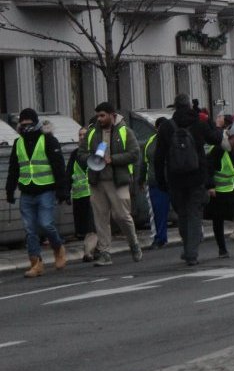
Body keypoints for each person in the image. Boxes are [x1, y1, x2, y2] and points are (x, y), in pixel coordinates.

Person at [154, 94, 223, 266]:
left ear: (174, 107)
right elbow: (216, 138)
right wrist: (209, 122)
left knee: (182, 215)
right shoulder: (198, 124)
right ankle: (191, 253)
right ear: (190, 106)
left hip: (175, 178)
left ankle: (188, 248)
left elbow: (159, 156)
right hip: (196, 176)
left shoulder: (166, 127)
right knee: (194, 214)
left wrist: (161, 180)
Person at [5, 109, 69, 277]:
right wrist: (9, 190)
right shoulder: (18, 143)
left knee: (46, 224)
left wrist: (62, 190)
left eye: (29, 124)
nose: (26, 127)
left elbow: (58, 166)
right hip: (26, 192)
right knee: (29, 229)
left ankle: (58, 247)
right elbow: (13, 169)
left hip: (45, 190)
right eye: (23, 124)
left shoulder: (48, 140)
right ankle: (36, 263)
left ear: (36, 123)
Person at [83, 102, 142, 266]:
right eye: (98, 116)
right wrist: (90, 159)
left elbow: (135, 153)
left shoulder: (124, 131)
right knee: (101, 218)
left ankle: (134, 244)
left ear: (111, 114)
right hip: (97, 181)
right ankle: (105, 253)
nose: (99, 119)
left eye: (102, 115)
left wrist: (113, 159)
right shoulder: (92, 132)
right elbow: (81, 153)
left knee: (122, 216)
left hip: (117, 180)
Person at [205, 120, 234, 258]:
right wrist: (210, 186)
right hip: (219, 191)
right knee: (218, 219)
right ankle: (222, 249)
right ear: (231, 136)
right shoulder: (219, 149)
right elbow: (208, 168)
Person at [67, 127, 98, 262]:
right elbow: (68, 174)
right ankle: (98, 249)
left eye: (84, 135)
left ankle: (88, 252)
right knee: (84, 229)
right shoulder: (74, 154)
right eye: (79, 135)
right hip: (79, 196)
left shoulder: (95, 153)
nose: (81, 137)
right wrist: (65, 192)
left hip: (93, 194)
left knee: (91, 227)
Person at [144, 117, 170, 249]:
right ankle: (159, 238)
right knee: (158, 212)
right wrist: (142, 179)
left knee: (185, 210)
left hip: (171, 181)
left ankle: (193, 234)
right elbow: (145, 162)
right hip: (157, 181)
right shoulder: (151, 141)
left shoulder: (173, 139)